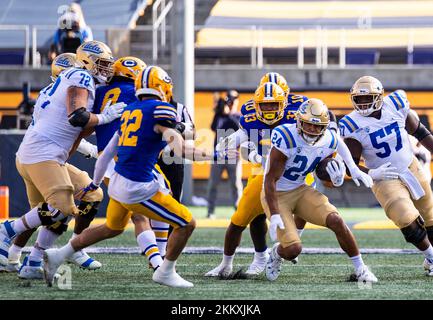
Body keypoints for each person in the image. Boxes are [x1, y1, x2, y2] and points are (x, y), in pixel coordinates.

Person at [42, 66, 236, 288]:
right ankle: (165, 271)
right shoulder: (161, 110)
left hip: (117, 182)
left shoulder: (130, 110)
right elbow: (181, 149)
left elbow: (106, 156)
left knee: (112, 227)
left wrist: (96, 183)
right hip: (137, 187)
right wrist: (216, 154)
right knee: (187, 223)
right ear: (161, 87)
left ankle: (58, 255)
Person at [0, 41, 122, 276]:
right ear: (88, 61)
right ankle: (7, 230)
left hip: (43, 155)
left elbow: (78, 129)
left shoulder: (60, 85)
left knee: (90, 192)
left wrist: (98, 131)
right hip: (42, 155)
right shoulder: (81, 76)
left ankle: (33, 263)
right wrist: (105, 117)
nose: (107, 69)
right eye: (103, 64)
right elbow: (78, 117)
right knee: (61, 208)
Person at [205, 73, 342, 277]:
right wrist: (231, 150)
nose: (270, 108)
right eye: (265, 104)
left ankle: (286, 243)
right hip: (263, 172)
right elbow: (242, 141)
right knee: (243, 217)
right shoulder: (250, 116)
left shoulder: (299, 111)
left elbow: (324, 115)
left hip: (298, 171)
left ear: (286, 99)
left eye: (275, 103)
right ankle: (248, 259)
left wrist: (332, 131)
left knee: (303, 209)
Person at [262, 98, 377, 283]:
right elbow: (269, 180)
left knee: (336, 220)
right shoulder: (286, 136)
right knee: (292, 250)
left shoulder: (327, 138)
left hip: (300, 189)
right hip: (276, 193)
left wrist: (353, 169)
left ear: (324, 127)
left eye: (317, 127)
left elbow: (339, 143)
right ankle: (276, 253)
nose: (312, 130)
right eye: (308, 124)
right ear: (299, 121)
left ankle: (361, 269)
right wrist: (274, 214)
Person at [340, 76, 433, 276]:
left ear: (380, 96)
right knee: (405, 217)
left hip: (411, 167)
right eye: (359, 99)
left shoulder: (396, 105)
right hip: (383, 177)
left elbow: (420, 132)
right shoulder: (352, 124)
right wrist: (372, 173)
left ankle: (430, 260)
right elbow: (351, 166)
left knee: (430, 215)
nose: (363, 103)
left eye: (369, 98)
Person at [207, 90, 242, 219]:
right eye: (230, 98)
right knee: (213, 184)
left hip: (233, 155)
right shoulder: (220, 115)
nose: (231, 102)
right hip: (218, 155)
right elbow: (213, 127)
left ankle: (239, 211)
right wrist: (218, 112)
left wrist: (229, 114)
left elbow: (238, 128)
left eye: (234, 99)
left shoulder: (238, 116)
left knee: (236, 185)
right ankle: (210, 211)